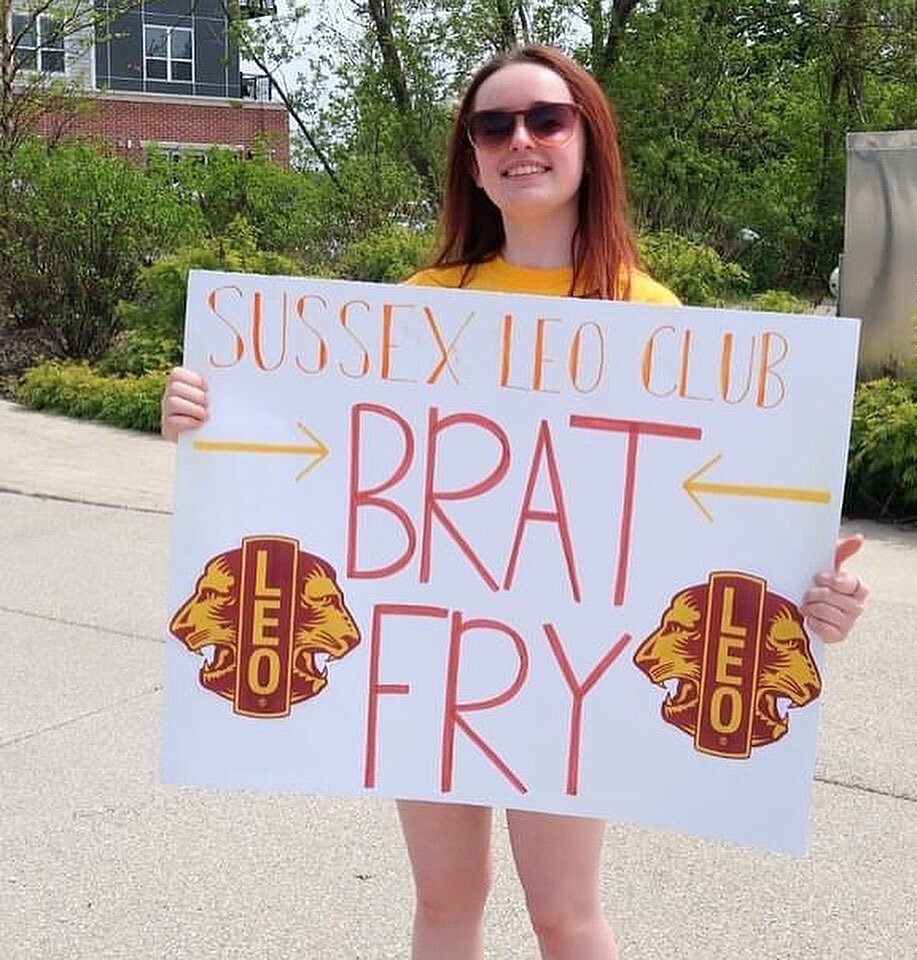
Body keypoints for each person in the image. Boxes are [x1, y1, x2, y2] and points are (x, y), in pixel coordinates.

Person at [162, 45, 869, 960]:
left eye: (546, 118)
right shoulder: (419, 306)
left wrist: (817, 593)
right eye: (492, 126)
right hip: (436, 654)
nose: (520, 141)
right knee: (448, 900)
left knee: (562, 914)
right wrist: (214, 421)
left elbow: (702, 513)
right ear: (470, 157)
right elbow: (338, 465)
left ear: (588, 141)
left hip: (566, 661)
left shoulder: (653, 317)